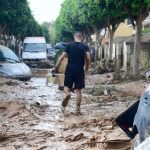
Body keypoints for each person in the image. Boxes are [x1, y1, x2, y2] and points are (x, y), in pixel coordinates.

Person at [51, 32, 91, 115]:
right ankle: (78, 110)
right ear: (82, 37)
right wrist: (86, 67)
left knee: (66, 86)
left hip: (70, 68)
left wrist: (56, 67)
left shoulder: (69, 45)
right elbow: (88, 58)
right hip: (80, 69)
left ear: (74, 37)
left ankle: (68, 94)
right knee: (79, 90)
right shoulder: (85, 47)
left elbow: (61, 57)